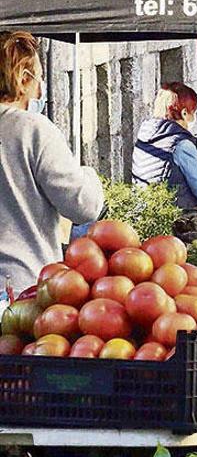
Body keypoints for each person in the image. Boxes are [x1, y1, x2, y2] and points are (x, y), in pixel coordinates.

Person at [0, 31, 104, 292]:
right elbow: (83, 206)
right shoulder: (31, 129)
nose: (40, 88)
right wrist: (89, 174)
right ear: (24, 79)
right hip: (21, 285)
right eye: (39, 78)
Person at [132, 82, 197, 209]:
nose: (194, 119)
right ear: (184, 113)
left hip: (144, 214)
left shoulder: (143, 139)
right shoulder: (182, 145)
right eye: (193, 113)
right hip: (174, 217)